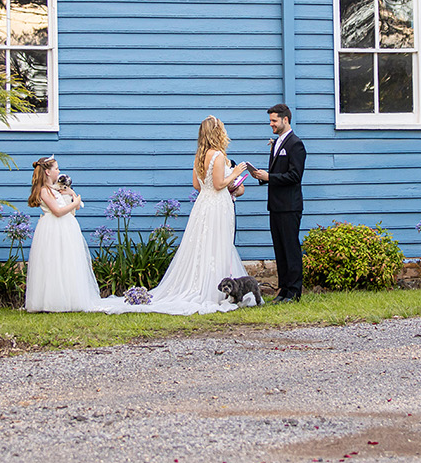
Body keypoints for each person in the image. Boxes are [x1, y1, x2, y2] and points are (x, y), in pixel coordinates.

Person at [103, 116, 252, 315]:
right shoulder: (216, 155)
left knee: (203, 244)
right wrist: (235, 173)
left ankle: (207, 285)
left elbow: (197, 185)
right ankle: (212, 292)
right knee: (216, 243)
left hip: (204, 204)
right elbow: (218, 185)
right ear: (217, 132)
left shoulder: (199, 155)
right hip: (216, 204)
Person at [24, 156, 113, 312]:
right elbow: (57, 211)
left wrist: (71, 194)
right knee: (54, 262)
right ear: (47, 172)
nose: (58, 171)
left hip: (65, 227)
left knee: (67, 261)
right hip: (53, 227)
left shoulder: (55, 189)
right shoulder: (44, 191)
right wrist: (75, 203)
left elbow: (69, 207)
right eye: (56, 168)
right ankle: (52, 300)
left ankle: (69, 298)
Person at [249, 103, 306, 302]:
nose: (271, 124)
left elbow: (294, 176)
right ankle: (283, 289)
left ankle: (294, 291)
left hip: (290, 206)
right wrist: (260, 176)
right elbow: (276, 172)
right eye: (270, 120)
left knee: (290, 249)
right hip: (275, 205)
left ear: (285, 120)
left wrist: (269, 177)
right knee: (279, 249)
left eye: (274, 121)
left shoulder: (295, 144)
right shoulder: (277, 143)